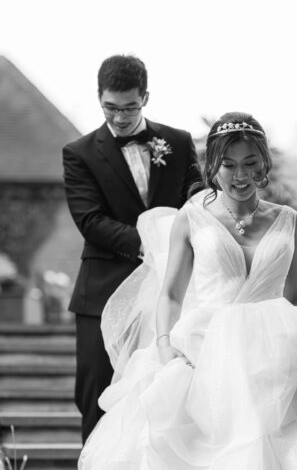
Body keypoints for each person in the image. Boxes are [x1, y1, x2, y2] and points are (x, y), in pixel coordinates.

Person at [79, 112, 297, 469]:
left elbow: (294, 298)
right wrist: (165, 346)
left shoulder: (289, 221)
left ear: (264, 164)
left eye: (250, 163)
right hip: (205, 351)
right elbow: (171, 294)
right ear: (213, 166)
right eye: (228, 164)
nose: (240, 175)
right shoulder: (192, 217)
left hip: (276, 357)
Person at [62, 54, 201, 442]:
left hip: (172, 290)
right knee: (95, 393)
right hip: (102, 292)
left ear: (146, 97)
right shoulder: (80, 152)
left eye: (129, 107)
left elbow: (196, 194)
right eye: (110, 107)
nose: (120, 118)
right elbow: (89, 220)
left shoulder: (177, 141)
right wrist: (154, 242)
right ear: (98, 97)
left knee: (167, 392)